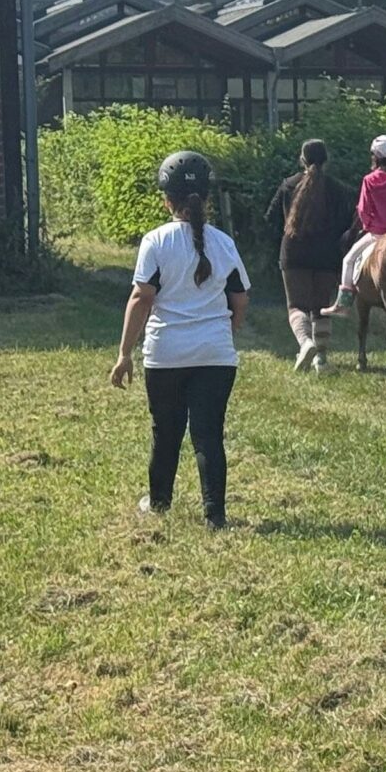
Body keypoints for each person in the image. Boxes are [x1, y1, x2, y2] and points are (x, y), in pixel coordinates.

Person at [111, 150, 250, 529]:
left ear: (165, 199)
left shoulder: (156, 242)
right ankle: (215, 515)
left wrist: (125, 353)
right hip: (215, 355)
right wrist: (230, 327)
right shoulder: (224, 243)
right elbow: (239, 297)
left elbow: (142, 298)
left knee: (166, 431)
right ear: (206, 198)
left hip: (167, 353)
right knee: (208, 435)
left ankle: (159, 502)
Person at [264, 138, 357, 371]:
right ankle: (321, 360)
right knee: (321, 308)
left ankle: (305, 343)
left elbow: (270, 219)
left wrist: (281, 242)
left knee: (296, 306)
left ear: (302, 159)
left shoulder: (288, 185)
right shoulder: (338, 189)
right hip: (326, 255)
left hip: (294, 253)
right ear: (327, 160)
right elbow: (348, 223)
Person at [334, 133, 386, 310]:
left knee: (348, 260)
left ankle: (343, 304)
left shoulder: (369, 180)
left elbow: (364, 210)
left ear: (376, 157)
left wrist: (369, 227)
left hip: (378, 233)